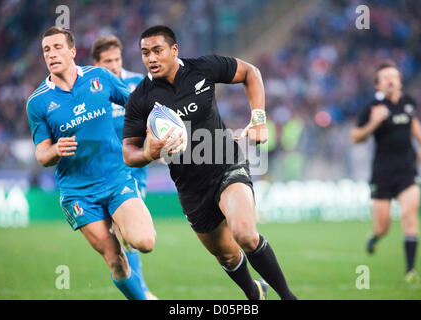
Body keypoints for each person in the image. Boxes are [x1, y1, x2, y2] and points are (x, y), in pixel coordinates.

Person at [122, 25, 297, 300]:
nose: (151, 58)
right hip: (191, 187)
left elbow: (251, 73)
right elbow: (129, 153)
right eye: (145, 53)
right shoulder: (140, 99)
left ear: (174, 50)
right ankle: (254, 294)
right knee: (227, 256)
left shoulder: (203, 68)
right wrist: (148, 153)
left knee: (246, 235)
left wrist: (259, 119)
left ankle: (289, 297)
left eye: (157, 51)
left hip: (226, 164)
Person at [26, 26, 156, 300]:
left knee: (145, 242)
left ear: (72, 51)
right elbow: (41, 154)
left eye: (58, 47)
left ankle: (125, 228)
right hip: (78, 192)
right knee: (116, 261)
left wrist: (159, 124)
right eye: (46, 50)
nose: (52, 54)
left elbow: (135, 105)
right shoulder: (37, 102)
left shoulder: (99, 77)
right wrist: (55, 150)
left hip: (116, 178)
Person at [350, 61, 421, 283]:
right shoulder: (371, 108)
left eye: (394, 76)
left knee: (409, 214)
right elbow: (355, 137)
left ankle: (410, 270)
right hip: (382, 173)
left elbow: (412, 123)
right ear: (378, 85)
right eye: (385, 77)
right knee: (383, 226)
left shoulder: (408, 103)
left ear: (400, 80)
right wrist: (373, 123)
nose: (390, 80)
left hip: (407, 170)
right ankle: (375, 237)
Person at [91, 34, 156, 300]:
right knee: (118, 237)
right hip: (101, 172)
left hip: (133, 170)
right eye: (108, 61)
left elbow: (151, 117)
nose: (114, 65)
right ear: (96, 63)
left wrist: (155, 142)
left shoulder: (137, 83)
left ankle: (141, 291)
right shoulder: (90, 89)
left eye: (117, 59)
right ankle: (139, 290)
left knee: (129, 233)